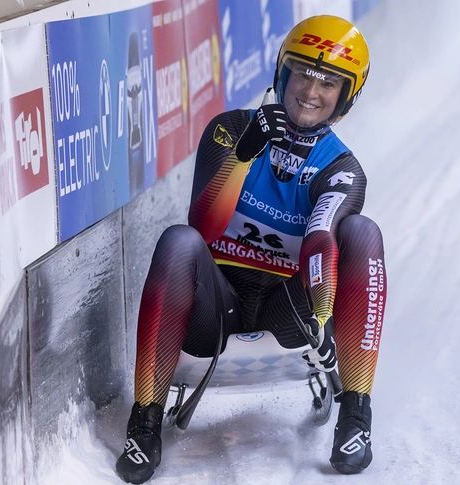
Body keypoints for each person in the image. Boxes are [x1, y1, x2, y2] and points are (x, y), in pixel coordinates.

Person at [115, 14, 387, 483]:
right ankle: (143, 426)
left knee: (363, 233)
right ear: (283, 74)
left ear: (344, 98)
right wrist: (244, 154)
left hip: (292, 312)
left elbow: (322, 237)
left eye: (328, 83)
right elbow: (202, 225)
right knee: (178, 241)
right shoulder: (228, 130)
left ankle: (356, 417)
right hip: (217, 308)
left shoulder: (343, 169)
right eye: (303, 73)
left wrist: (321, 317)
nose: (310, 91)